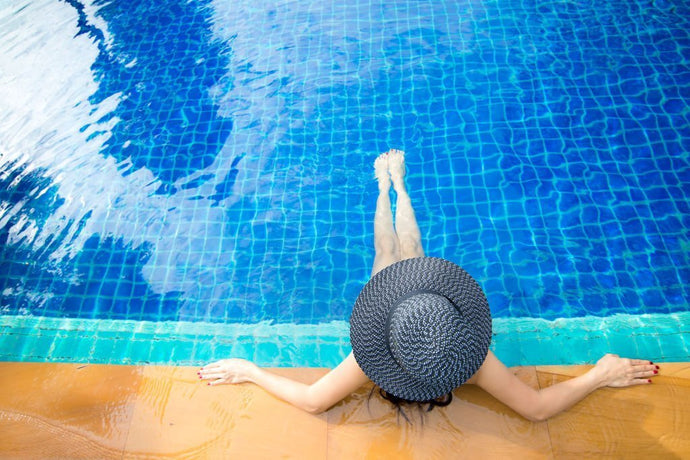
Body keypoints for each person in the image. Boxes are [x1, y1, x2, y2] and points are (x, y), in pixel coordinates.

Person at [199, 149, 659, 421]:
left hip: (398, 313)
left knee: (390, 254)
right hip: (416, 308)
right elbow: (535, 409)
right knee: (409, 249)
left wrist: (250, 370)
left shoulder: (372, 358)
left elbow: (313, 400)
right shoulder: (470, 362)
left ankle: (390, 186)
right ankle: (392, 185)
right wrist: (599, 375)